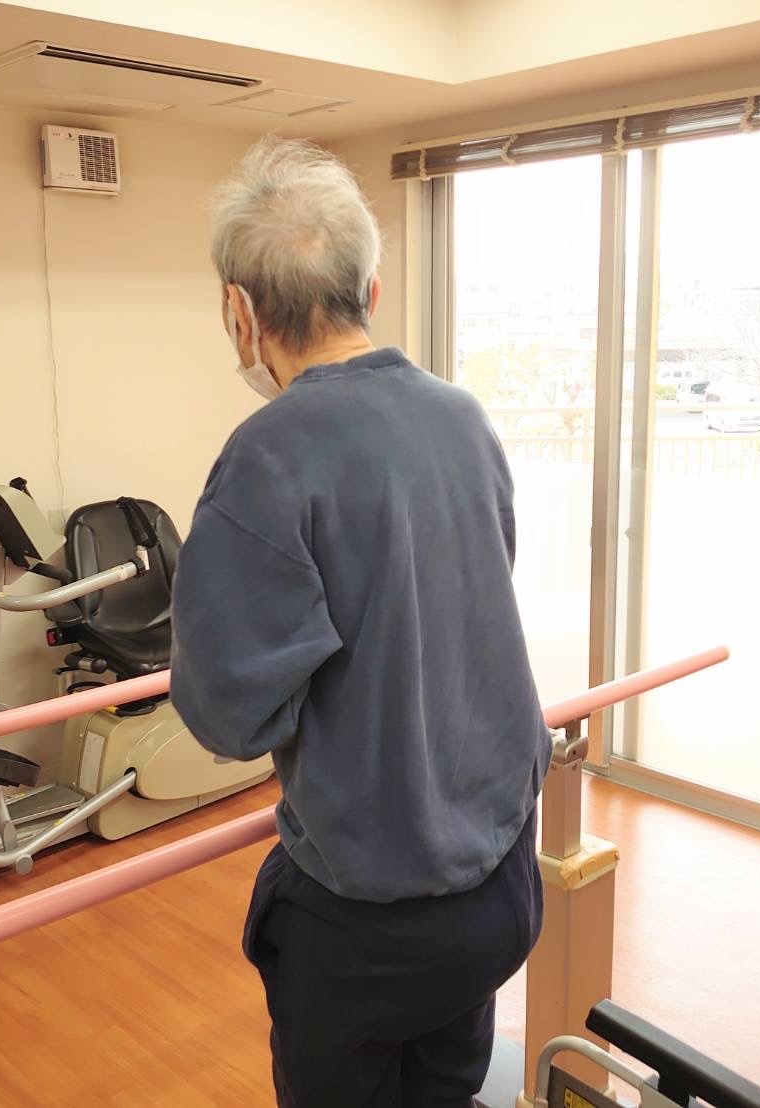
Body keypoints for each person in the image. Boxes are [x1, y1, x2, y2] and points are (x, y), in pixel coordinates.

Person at [170, 137, 551, 1108]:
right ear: (370, 291)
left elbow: (228, 716)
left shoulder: (266, 457)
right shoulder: (461, 417)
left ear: (240, 312)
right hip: (499, 881)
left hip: (370, 921)